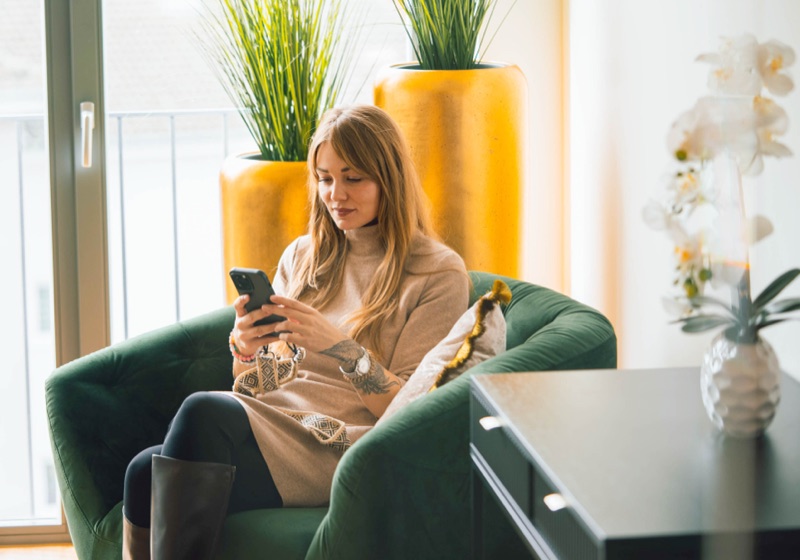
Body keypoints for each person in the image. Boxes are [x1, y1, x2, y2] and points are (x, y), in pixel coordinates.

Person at [121, 104, 470, 559]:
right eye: (324, 178)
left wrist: (341, 348)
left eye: (353, 178)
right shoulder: (305, 256)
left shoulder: (437, 273)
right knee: (141, 470)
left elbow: (409, 414)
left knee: (201, 413)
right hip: (278, 423)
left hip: (338, 443)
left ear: (390, 178)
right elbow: (265, 384)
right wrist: (247, 349)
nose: (335, 194)